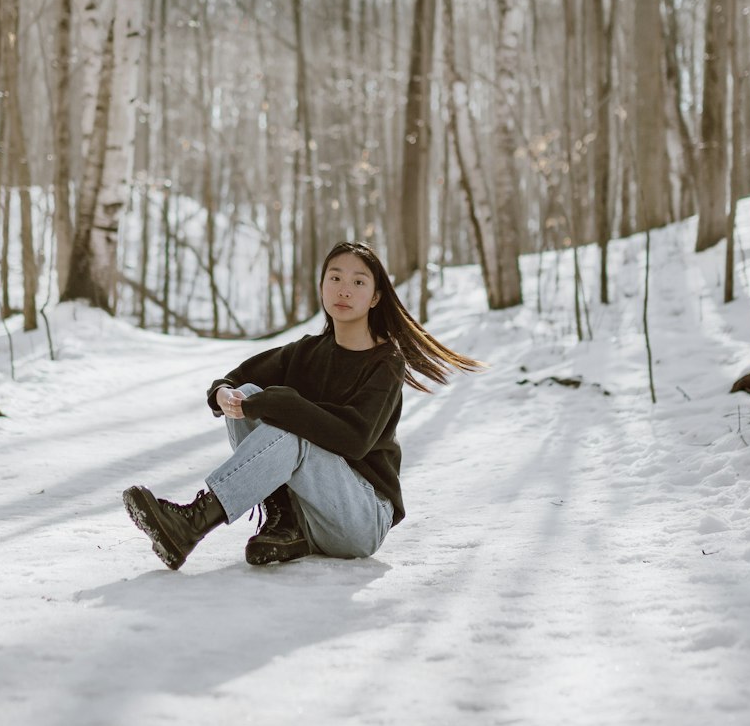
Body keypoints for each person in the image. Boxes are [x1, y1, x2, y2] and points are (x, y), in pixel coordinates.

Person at [122, 240, 483, 570]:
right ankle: (287, 524)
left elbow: (355, 438)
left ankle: (192, 523)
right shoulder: (309, 350)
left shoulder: (386, 362)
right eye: (335, 278)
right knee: (249, 392)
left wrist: (284, 405)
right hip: (313, 510)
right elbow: (234, 380)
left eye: (359, 282)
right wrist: (222, 394)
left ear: (375, 297)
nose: (344, 289)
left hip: (360, 516)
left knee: (291, 430)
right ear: (322, 286)